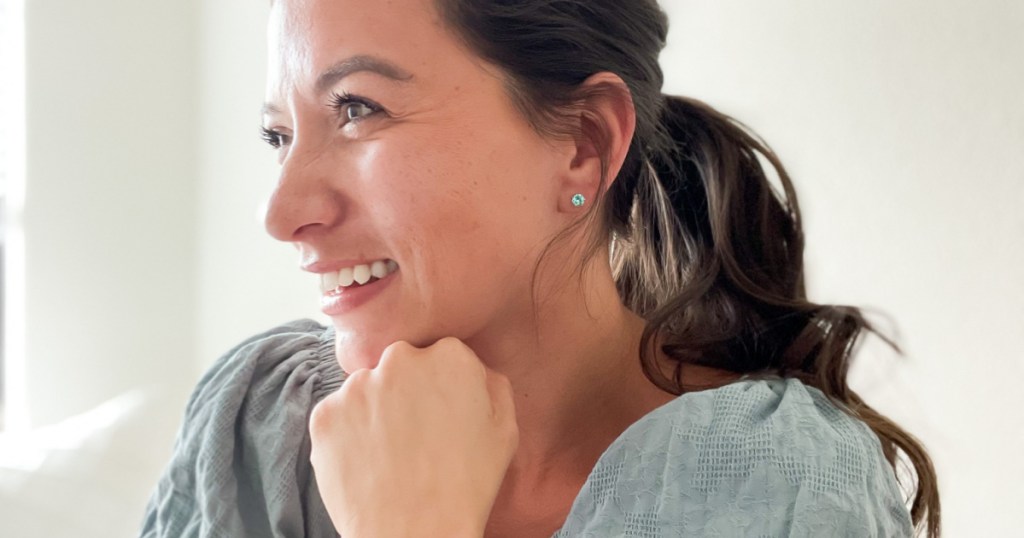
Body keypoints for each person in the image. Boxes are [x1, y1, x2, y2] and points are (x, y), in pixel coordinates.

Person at [140, 0, 941, 536]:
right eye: (278, 135)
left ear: (583, 143)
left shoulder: (776, 489)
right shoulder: (254, 424)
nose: (281, 214)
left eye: (357, 109)